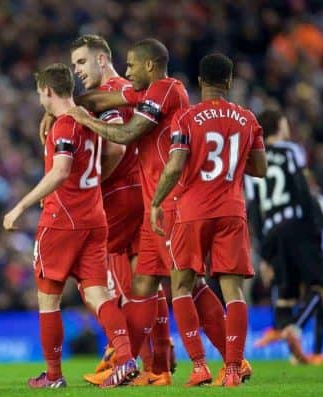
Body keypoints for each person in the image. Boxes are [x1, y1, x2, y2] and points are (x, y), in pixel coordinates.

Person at [67, 39, 236, 385]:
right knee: (146, 284)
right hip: (154, 202)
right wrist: (61, 107)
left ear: (149, 66)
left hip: (171, 200)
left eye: (131, 65)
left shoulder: (167, 89)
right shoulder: (147, 91)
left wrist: (84, 119)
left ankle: (228, 361)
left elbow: (128, 134)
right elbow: (105, 99)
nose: (126, 73)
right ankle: (145, 367)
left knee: (188, 285)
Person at [3, 63, 139, 388]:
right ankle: (126, 357)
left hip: (62, 220)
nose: (39, 100)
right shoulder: (87, 120)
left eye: (39, 93)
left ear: (48, 91)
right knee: (97, 294)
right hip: (95, 218)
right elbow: (110, 153)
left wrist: (19, 206)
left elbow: (61, 170)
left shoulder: (65, 125)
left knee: (49, 300)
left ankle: (53, 376)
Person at [149, 53, 267, 387]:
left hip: (192, 212)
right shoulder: (247, 119)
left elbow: (174, 165)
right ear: (229, 82)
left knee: (182, 286)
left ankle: (199, 365)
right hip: (232, 210)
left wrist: (156, 202)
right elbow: (260, 168)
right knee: (234, 292)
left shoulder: (187, 119)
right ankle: (232, 370)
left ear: (200, 82)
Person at [66, 34, 172, 386]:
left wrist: (89, 185)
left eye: (81, 62)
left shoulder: (114, 89)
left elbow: (114, 147)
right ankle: (158, 363)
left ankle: (126, 357)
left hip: (117, 200)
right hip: (139, 195)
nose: (77, 70)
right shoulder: (126, 89)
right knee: (146, 285)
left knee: (97, 284)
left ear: (101, 59)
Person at [249, 109, 323, 364]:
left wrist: (264, 254)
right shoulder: (290, 150)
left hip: (271, 231)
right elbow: (302, 189)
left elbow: (253, 209)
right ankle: (292, 328)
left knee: (287, 291)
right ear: (279, 126)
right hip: (296, 223)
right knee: (321, 286)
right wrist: (314, 227)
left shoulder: (251, 160)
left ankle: (282, 330)